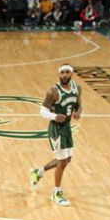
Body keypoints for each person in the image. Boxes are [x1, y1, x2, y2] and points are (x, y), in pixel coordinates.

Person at [29, 64, 82, 207]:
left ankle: (38, 172)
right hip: (56, 129)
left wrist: (78, 113)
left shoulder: (77, 88)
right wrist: (53, 116)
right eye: (62, 72)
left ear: (72, 74)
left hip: (67, 128)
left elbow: (78, 105)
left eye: (68, 72)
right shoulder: (53, 91)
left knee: (67, 159)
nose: (65, 75)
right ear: (59, 74)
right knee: (62, 161)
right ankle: (56, 192)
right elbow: (42, 111)